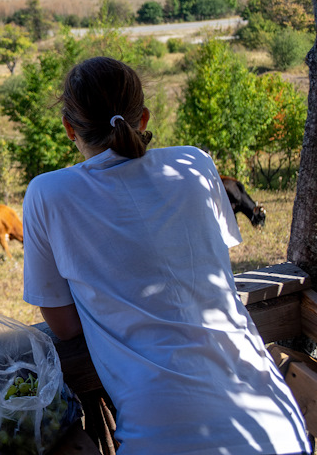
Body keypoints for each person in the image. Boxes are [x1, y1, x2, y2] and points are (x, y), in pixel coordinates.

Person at [21, 56, 309, 455]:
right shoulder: (194, 162)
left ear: (69, 127)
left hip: (163, 437)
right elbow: (209, 267)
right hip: (276, 424)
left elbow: (65, 324)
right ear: (144, 118)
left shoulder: (48, 193)